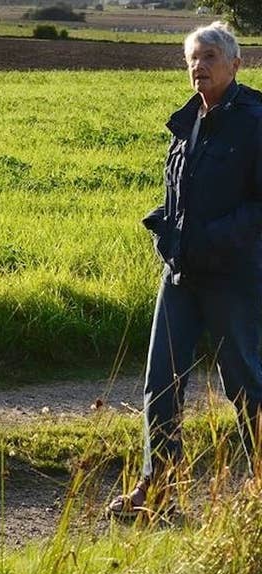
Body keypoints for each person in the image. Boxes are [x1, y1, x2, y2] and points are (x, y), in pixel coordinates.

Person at [108, 21, 262, 518]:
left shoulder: (255, 121)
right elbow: (182, 195)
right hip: (181, 273)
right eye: (193, 58)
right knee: (161, 383)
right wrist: (167, 229)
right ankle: (158, 490)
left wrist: (209, 240)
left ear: (237, 64)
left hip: (233, 277)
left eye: (211, 56)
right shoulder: (188, 120)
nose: (200, 66)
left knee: (243, 383)